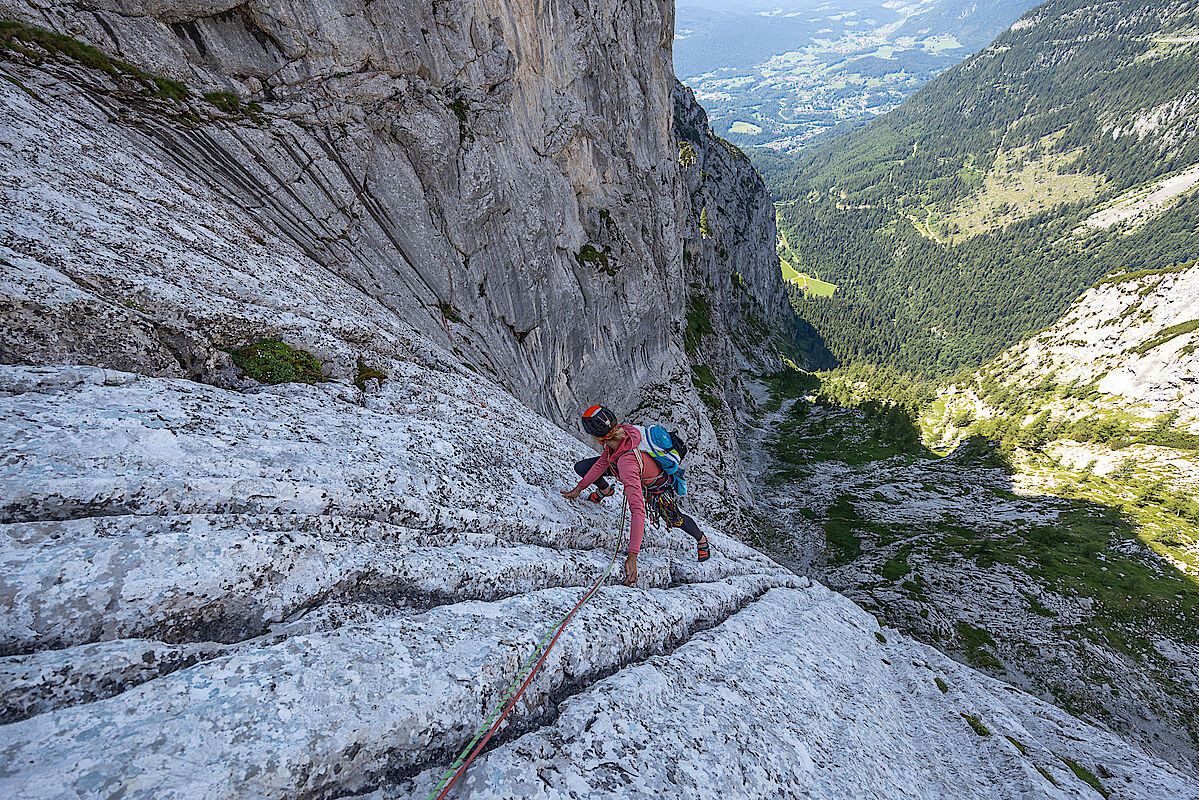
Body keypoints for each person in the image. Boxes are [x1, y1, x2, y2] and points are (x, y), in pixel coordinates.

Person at [561, 405, 710, 586]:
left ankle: (701, 539)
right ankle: (605, 491)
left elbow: (638, 511)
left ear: (597, 437)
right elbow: (602, 463)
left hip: (655, 488)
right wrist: (578, 489)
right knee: (582, 468)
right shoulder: (620, 433)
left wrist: (632, 557)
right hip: (622, 467)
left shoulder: (627, 463)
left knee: (676, 519)